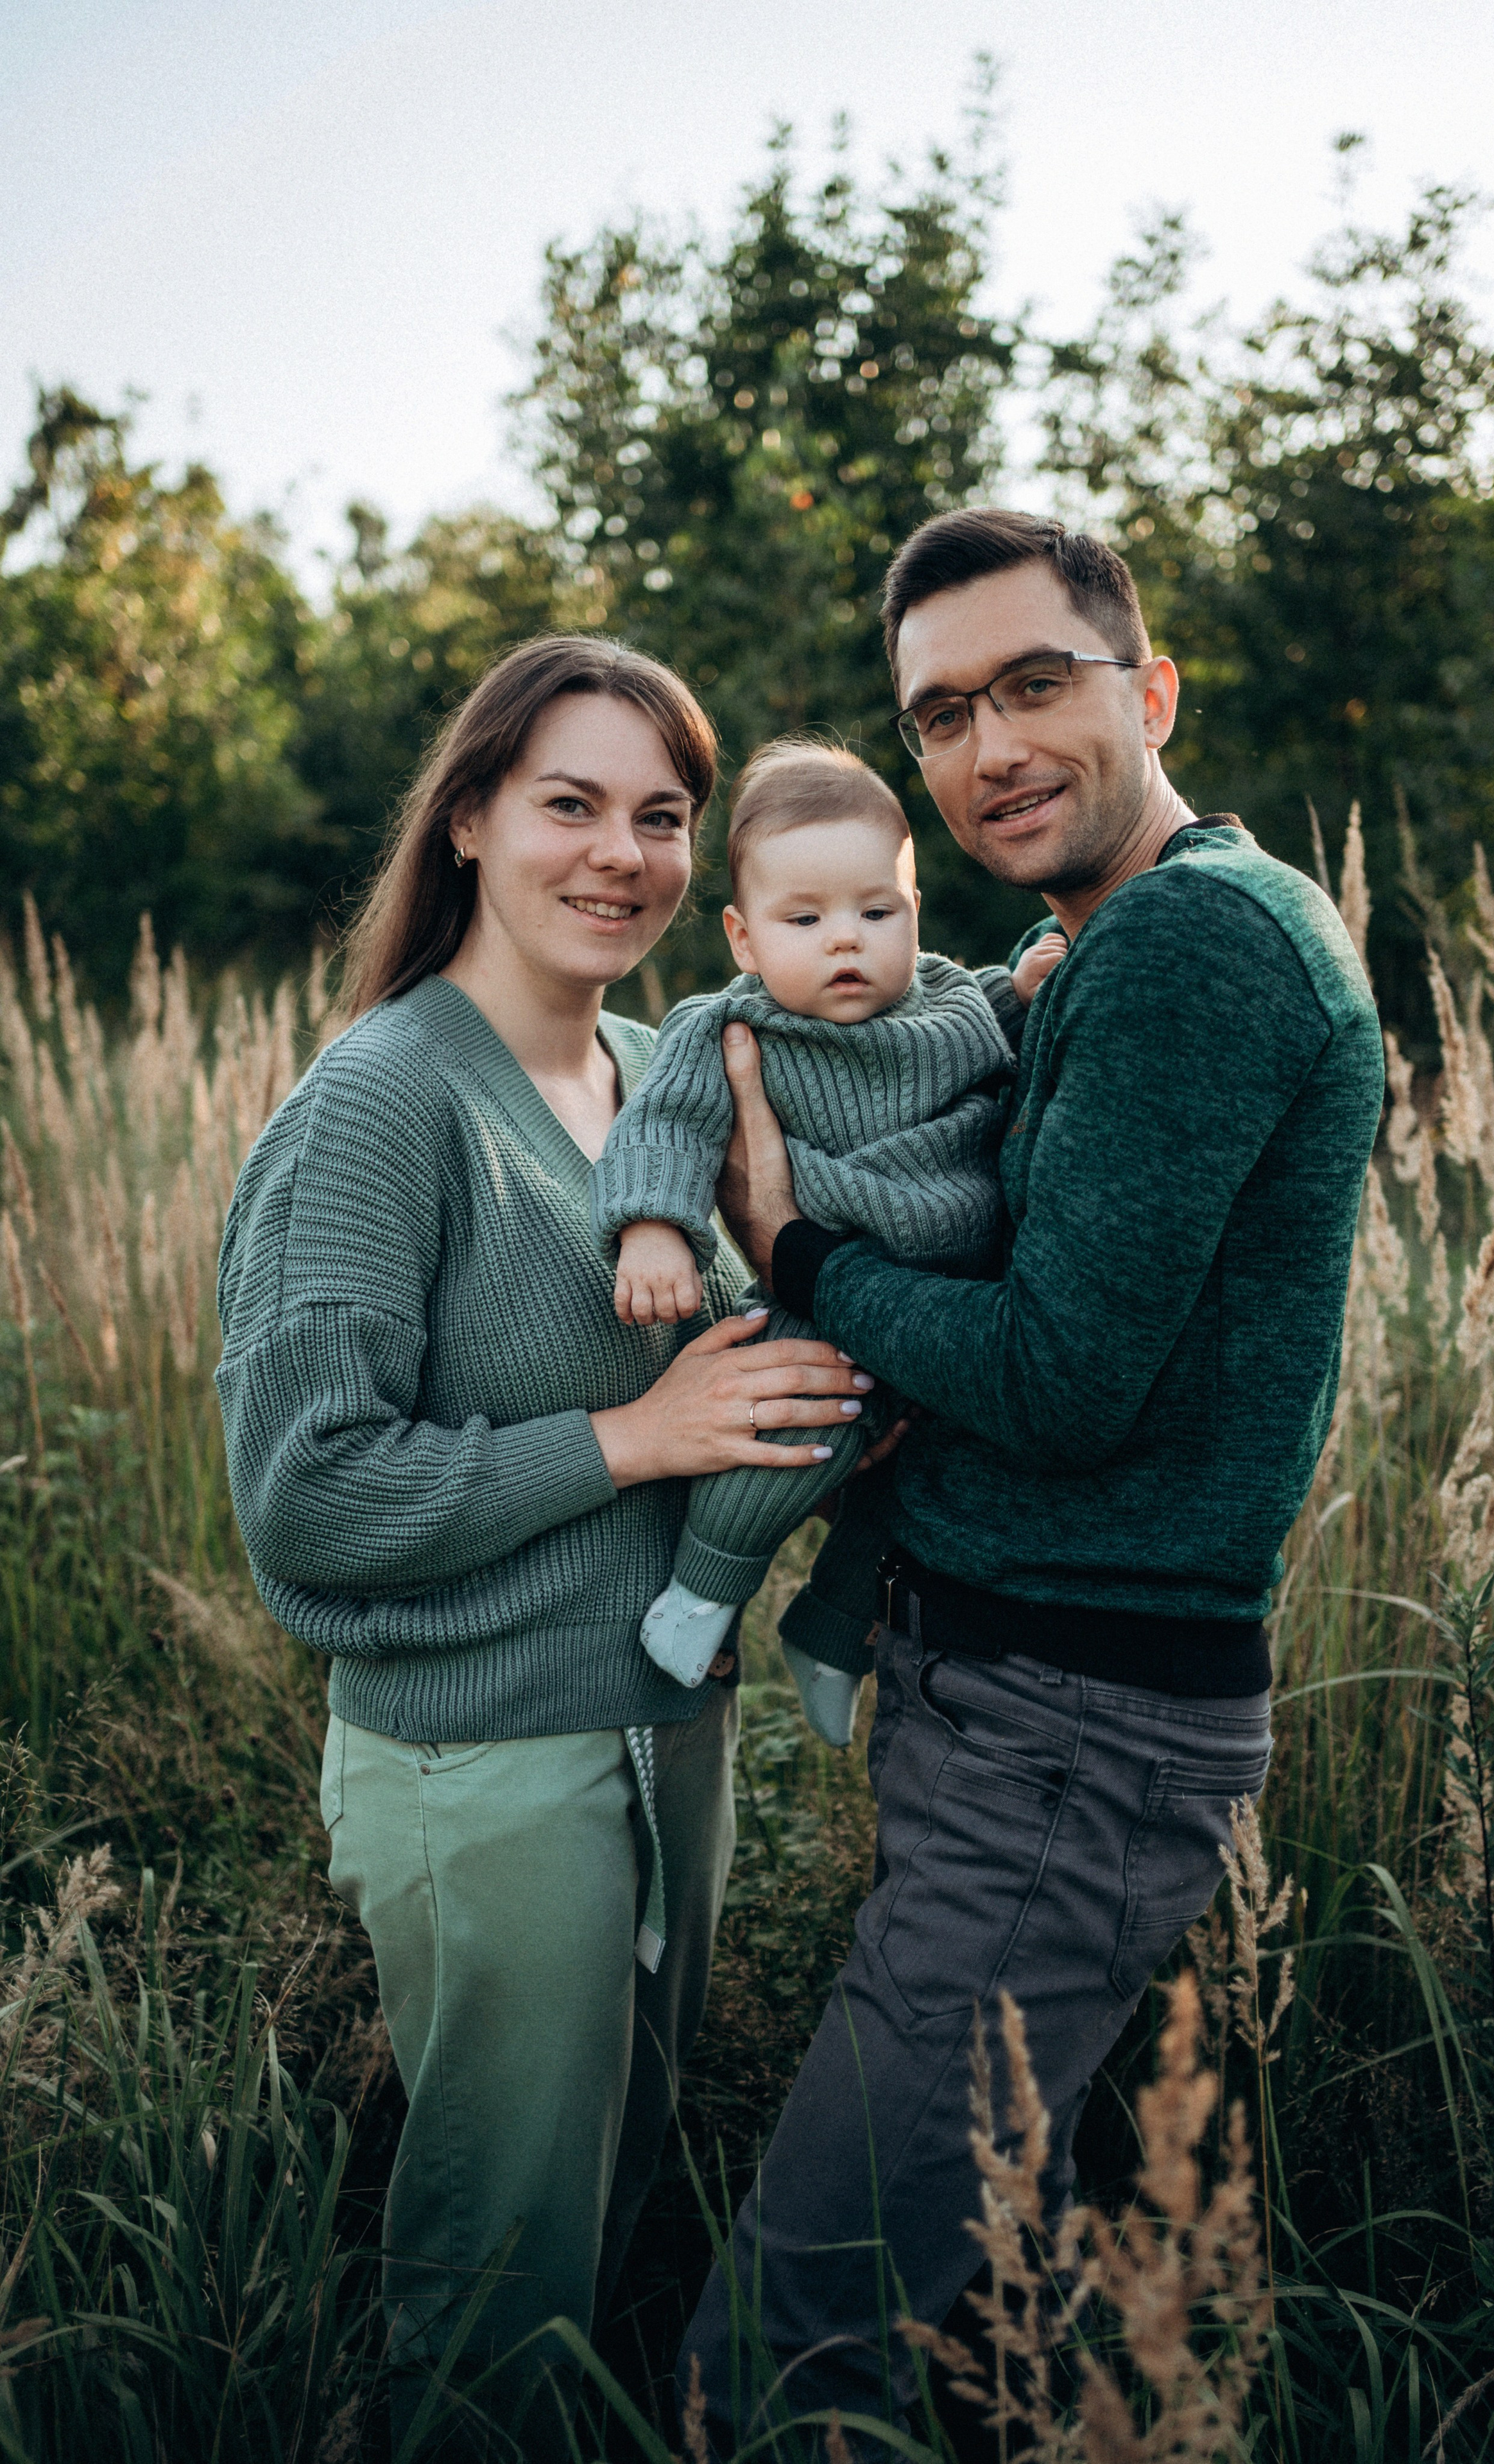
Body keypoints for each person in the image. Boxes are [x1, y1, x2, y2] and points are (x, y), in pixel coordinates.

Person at [679, 511, 1385, 2443]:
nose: (989, 746)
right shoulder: (1104, 940)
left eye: (1035, 685)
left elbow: (1064, 1383)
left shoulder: (1190, 947)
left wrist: (798, 1245)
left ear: (1147, 689)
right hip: (1029, 1705)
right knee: (979, 2325)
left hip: (1068, 1732)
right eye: (942, 714)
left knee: (779, 2356)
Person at [213, 637, 875, 2454]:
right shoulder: (382, 1103)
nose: (623, 857)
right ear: (473, 822)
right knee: (495, 2292)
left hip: (665, 1739)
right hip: (484, 1761)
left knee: (610, 2221)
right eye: (570, 805)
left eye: (663, 817)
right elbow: (310, 1495)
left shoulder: (667, 1067)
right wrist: (637, 1436)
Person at [588, 739, 1064, 1741]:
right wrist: (653, 1229)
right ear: (745, 936)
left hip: (952, 1307)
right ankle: (703, 1594)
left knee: (928, 1477)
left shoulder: (947, 999)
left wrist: (1026, 992)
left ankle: (832, 1631)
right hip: (826, 1302)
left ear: (915, 912)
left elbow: (993, 1033)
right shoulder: (732, 1027)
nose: (845, 941)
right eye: (805, 920)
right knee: (806, 1440)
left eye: (875, 912)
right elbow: (665, 1127)